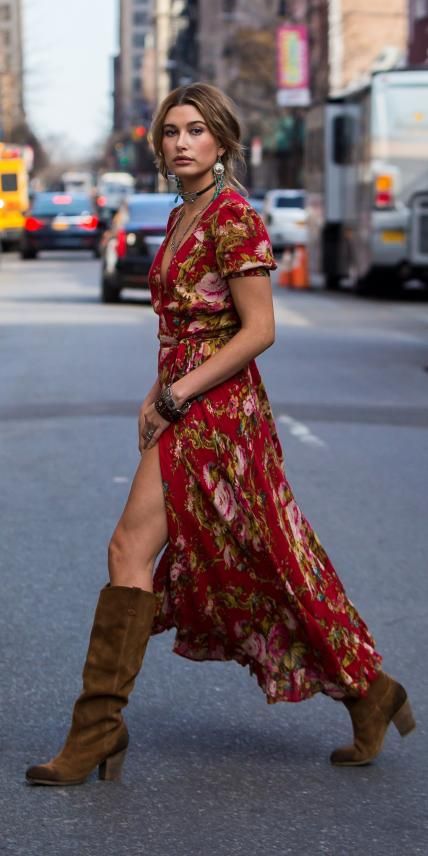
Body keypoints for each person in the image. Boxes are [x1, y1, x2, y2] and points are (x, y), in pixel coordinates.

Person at [26, 83, 415, 786]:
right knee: (262, 561)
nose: (180, 142)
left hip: (218, 413)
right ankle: (371, 693)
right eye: (171, 131)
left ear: (223, 142)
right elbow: (181, 327)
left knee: (131, 547)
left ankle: (96, 732)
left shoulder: (233, 216)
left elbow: (258, 331)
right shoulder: (183, 214)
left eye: (196, 130)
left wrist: (176, 394)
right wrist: (153, 393)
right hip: (184, 399)